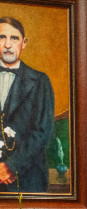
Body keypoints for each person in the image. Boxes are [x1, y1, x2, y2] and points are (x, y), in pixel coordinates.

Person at [0, 17, 53, 193]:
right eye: (1, 37)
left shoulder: (40, 81)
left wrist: (10, 166)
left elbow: (42, 132)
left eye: (14, 38)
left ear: (24, 43)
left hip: (28, 177)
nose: (7, 44)